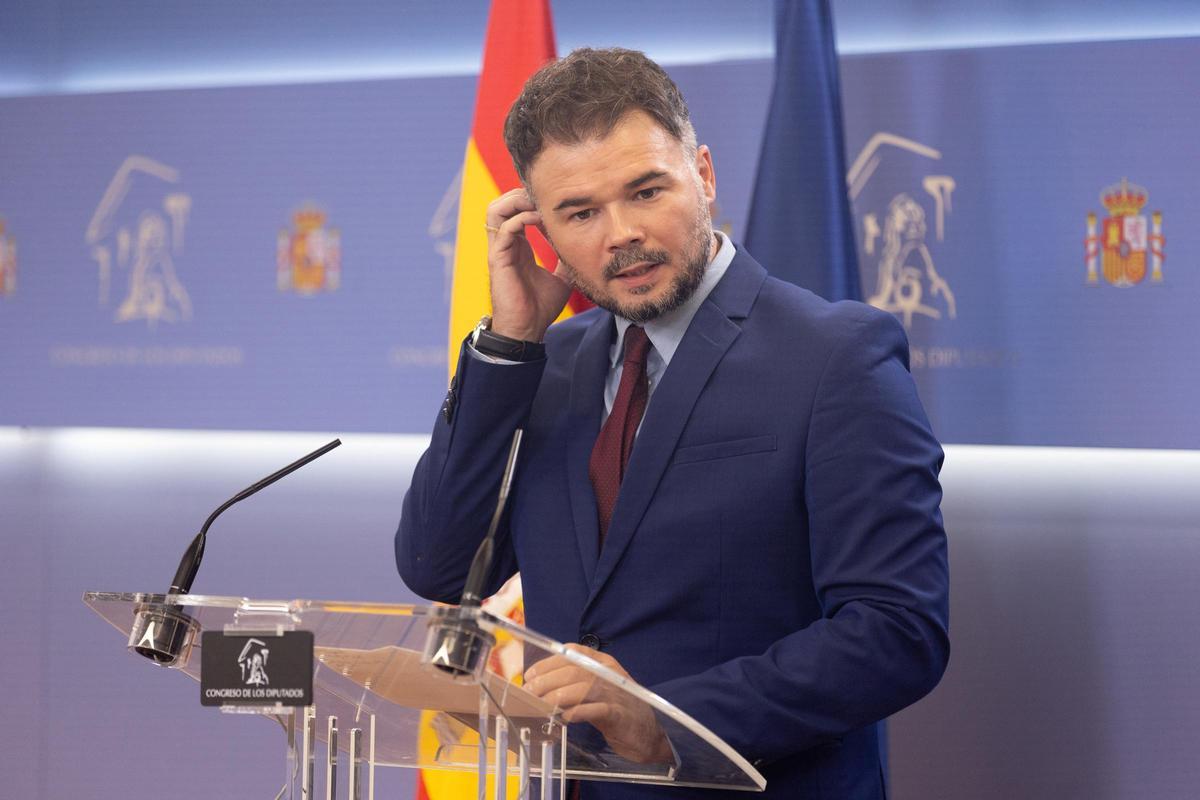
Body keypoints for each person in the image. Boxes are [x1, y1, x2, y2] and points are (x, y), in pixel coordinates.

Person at [397, 47, 949, 799]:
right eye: (580, 213)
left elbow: (898, 631)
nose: (620, 233)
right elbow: (438, 566)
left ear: (706, 176)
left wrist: (667, 720)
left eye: (646, 191)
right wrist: (508, 344)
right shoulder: (541, 365)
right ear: (540, 230)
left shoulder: (836, 356)